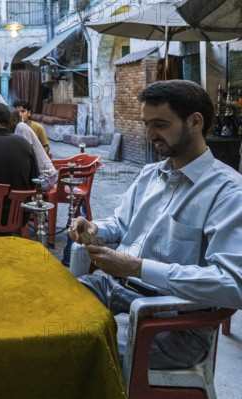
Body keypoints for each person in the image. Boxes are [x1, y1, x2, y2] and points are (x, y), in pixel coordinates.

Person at [68, 80, 242, 369]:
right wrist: (95, 229)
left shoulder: (229, 193)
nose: (149, 135)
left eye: (159, 124)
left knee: (75, 348)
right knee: (47, 317)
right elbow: (121, 223)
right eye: (147, 124)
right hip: (114, 288)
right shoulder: (149, 175)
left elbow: (233, 284)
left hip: (174, 322)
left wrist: (136, 268)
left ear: (195, 122)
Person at [9, 109, 57, 191]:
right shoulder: (18, 128)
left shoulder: (21, 128)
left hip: (45, 177)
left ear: (14, 121)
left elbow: (26, 155)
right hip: (43, 175)